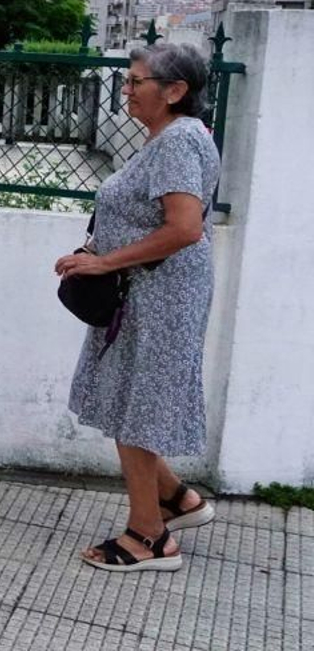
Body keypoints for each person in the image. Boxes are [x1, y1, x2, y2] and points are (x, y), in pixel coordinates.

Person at [55, 42, 220, 573]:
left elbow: (183, 228)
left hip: (160, 297)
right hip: (149, 293)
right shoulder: (171, 138)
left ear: (175, 92)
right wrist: (95, 252)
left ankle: (150, 537)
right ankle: (178, 502)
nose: (126, 90)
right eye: (126, 81)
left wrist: (105, 264)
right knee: (132, 400)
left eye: (135, 82)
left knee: (137, 408)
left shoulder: (176, 142)